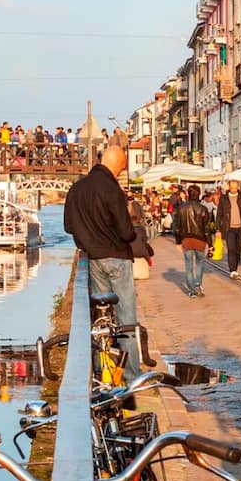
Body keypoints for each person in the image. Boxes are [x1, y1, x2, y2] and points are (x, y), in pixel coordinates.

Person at [64, 145, 142, 378]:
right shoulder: (112, 189)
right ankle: (130, 376)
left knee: (102, 319)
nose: (120, 172)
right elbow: (126, 232)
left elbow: (68, 226)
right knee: (126, 317)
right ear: (117, 165)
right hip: (116, 257)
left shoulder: (77, 189)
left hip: (93, 259)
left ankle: (103, 369)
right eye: (122, 168)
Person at [173, 184, 214, 297]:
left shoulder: (181, 208)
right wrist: (210, 244)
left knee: (189, 265)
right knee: (200, 263)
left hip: (187, 239)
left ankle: (192, 291)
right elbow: (207, 229)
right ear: (199, 194)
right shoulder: (203, 209)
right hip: (200, 240)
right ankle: (197, 284)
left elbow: (177, 228)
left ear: (188, 194)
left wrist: (178, 242)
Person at [215, 179, 241, 277]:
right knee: (231, 249)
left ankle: (235, 266)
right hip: (229, 229)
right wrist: (218, 229)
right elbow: (219, 214)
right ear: (229, 187)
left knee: (238, 250)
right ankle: (232, 270)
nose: (233, 189)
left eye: (235, 187)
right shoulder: (224, 198)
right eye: (232, 187)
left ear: (238, 187)